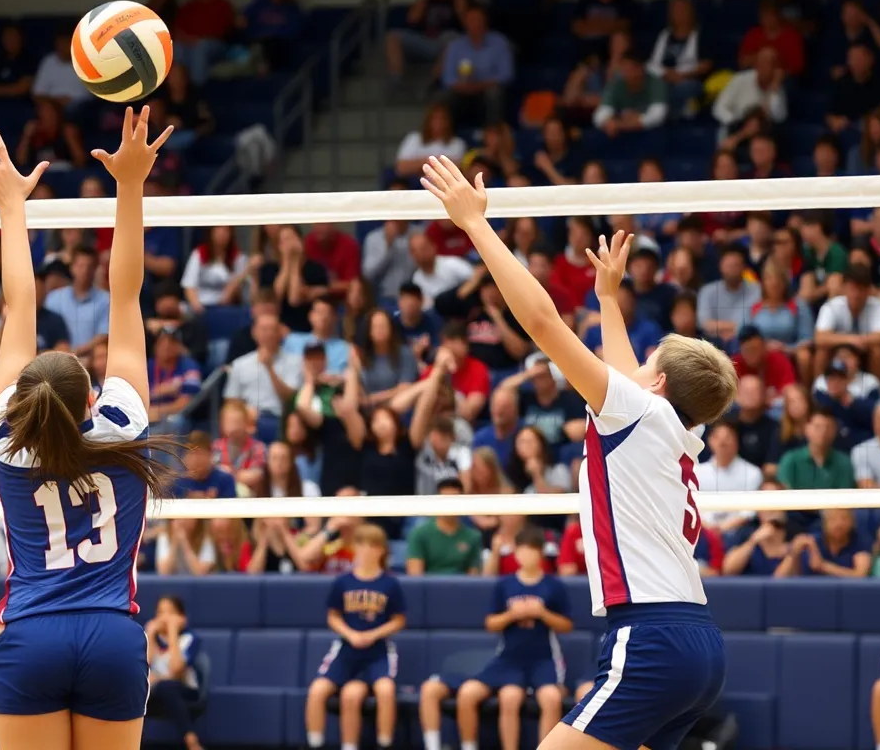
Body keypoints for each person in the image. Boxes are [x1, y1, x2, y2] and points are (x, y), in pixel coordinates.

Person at [420, 155, 736, 750]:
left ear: (659, 384)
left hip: (651, 636)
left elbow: (542, 322)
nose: (631, 367)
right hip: (698, 642)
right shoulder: (673, 432)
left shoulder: (640, 412)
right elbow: (626, 374)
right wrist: (608, 299)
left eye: (646, 364)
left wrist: (475, 226)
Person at [0, 107, 177, 750]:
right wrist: (131, 186)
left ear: (26, 398)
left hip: (33, 637)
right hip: (112, 635)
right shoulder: (124, 425)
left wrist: (10, 207)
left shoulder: (6, 440)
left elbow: (19, 304)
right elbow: (126, 296)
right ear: (92, 396)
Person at [420, 525, 572, 750]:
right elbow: (491, 623)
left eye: (532, 550)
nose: (526, 555)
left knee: (551, 698)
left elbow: (567, 625)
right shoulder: (505, 584)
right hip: (509, 658)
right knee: (501, 696)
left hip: (543, 659)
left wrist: (542, 613)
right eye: (522, 550)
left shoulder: (553, 585)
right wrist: (513, 614)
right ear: (515, 551)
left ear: (540, 552)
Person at [304, 523, 406, 750]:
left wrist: (373, 634)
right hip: (347, 648)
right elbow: (333, 616)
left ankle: (385, 743)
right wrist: (350, 634)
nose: (364, 550)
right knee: (317, 690)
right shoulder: (343, 582)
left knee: (385, 690)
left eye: (370, 545)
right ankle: (314, 743)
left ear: (381, 550)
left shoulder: (390, 583)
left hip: (378, 650)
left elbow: (399, 620)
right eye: (360, 544)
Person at [145, 595, 205, 750]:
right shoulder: (149, 638)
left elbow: (177, 670)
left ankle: (191, 740)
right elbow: (143, 670)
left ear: (182, 617)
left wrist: (172, 632)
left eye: (170, 613)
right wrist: (150, 636)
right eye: (160, 613)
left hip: (185, 689)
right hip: (154, 692)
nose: (164, 618)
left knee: (167, 686)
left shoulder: (189, 639)